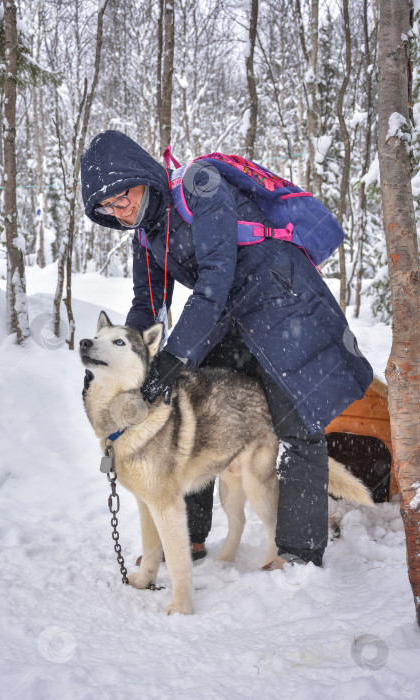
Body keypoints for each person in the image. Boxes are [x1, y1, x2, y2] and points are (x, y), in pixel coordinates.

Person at [80, 130, 373, 570]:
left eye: (123, 197)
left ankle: (298, 552)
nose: (119, 211)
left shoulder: (201, 186)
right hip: (227, 315)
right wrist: (117, 360)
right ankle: (190, 539)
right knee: (195, 408)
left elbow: (215, 278)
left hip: (281, 301)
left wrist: (175, 358)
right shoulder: (145, 236)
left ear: (143, 177)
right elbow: (147, 305)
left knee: (296, 423)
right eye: (107, 208)